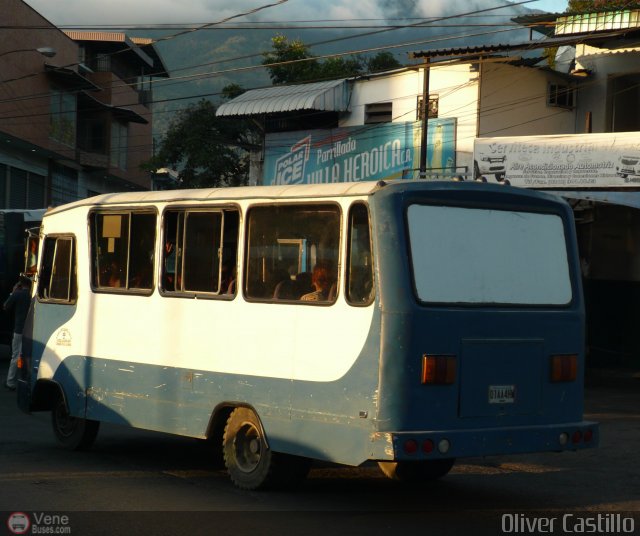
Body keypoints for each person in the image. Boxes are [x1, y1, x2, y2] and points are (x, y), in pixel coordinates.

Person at [4, 275, 32, 390]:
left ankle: (10, 382)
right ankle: (28, 379)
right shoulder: (32, 296)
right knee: (28, 356)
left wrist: (13, 291)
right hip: (30, 330)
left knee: (15, 356)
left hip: (19, 329)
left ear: (20, 284)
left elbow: (5, 306)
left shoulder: (18, 294)